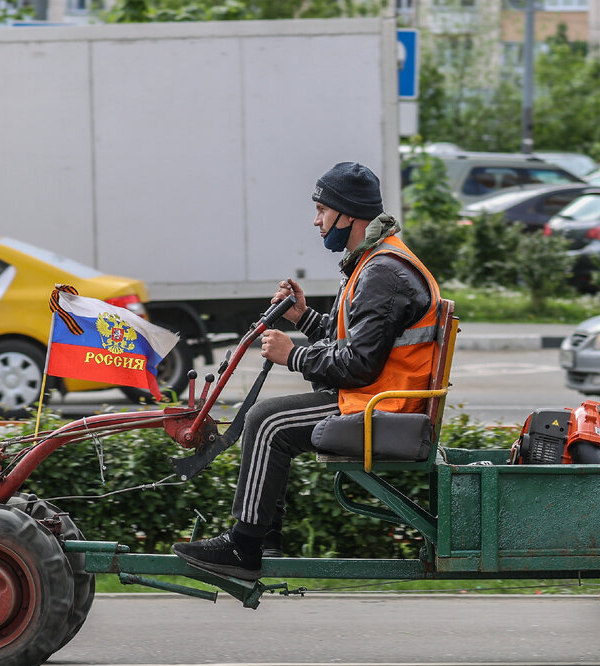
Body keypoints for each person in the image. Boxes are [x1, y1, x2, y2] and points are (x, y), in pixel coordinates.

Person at [172, 161, 442, 581]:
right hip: (375, 398)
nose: (316, 221)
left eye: (322, 210)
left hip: (382, 407)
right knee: (269, 418)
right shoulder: (375, 261)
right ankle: (265, 540)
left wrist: (292, 355)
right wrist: (303, 317)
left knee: (267, 421)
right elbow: (353, 342)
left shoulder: (382, 273)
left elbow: (358, 364)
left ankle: (244, 546)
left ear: (347, 215)